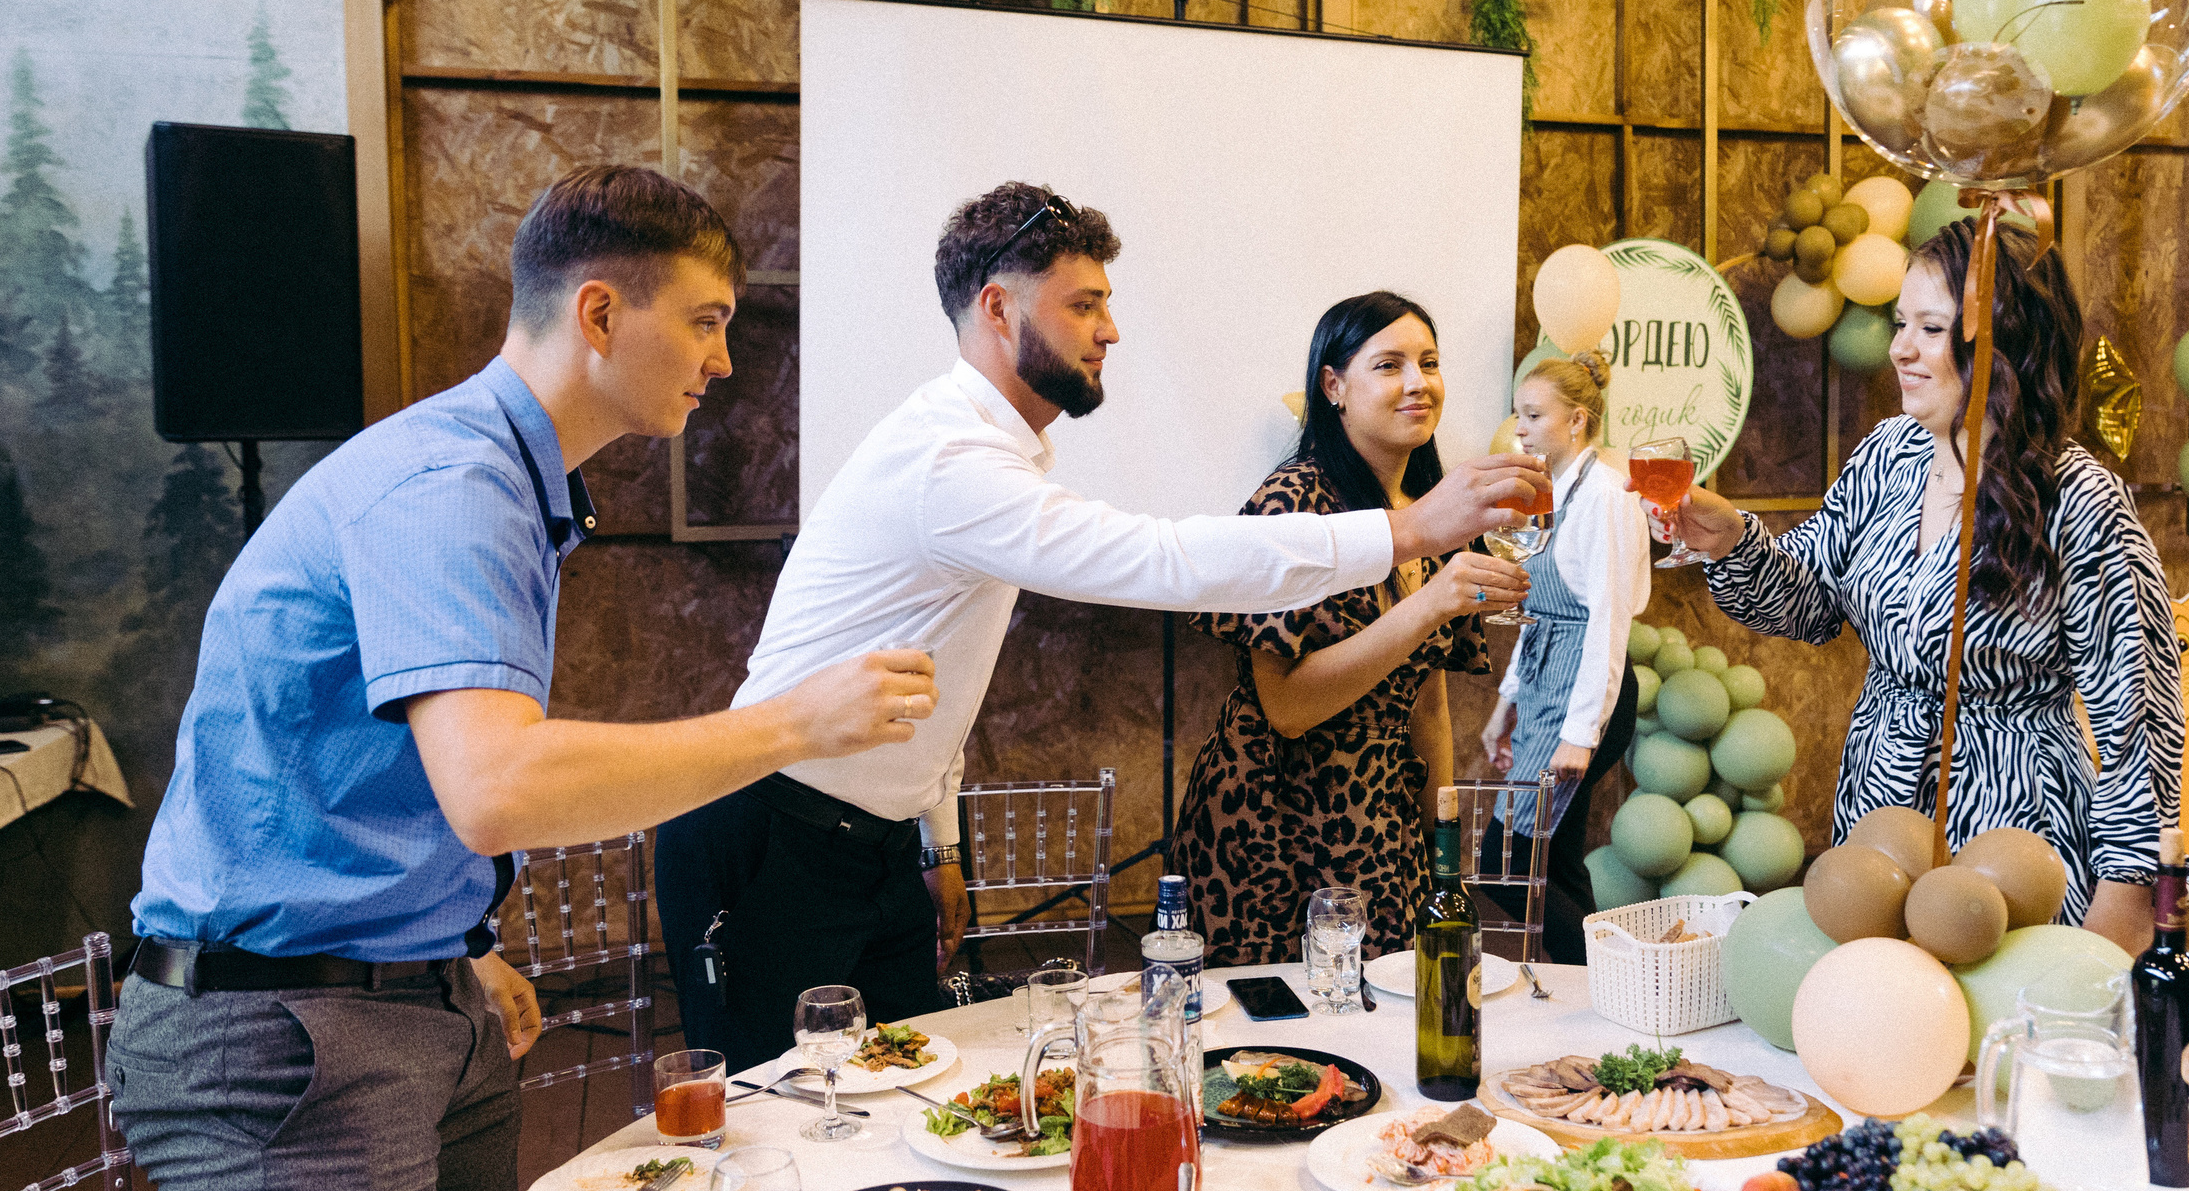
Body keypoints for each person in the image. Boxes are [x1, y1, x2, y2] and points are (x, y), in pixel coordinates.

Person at [105, 167, 936, 1191]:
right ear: (599, 314)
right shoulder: (448, 483)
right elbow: (496, 781)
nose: (728, 360)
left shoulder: (507, 477)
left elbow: (404, 775)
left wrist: (452, 939)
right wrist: (790, 724)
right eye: (710, 321)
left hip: (403, 998)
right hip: (281, 1040)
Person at [656, 187, 1543, 1068]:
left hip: (877, 844)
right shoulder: (949, 459)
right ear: (998, 309)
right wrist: (1408, 532)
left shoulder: (997, 451)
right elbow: (1161, 560)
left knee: (889, 1109)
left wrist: (936, 842)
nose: (1109, 330)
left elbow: (933, 669)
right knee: (783, 1125)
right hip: (775, 832)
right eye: (1084, 305)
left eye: (1106, 305)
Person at [1666, 219, 2183, 955]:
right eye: (1900, 322)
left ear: (2004, 342)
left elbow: (2142, 727)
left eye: (1931, 327)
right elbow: (1809, 601)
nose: (1900, 349)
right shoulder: (1889, 453)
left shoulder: (2081, 499)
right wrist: (1732, 541)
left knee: (1987, 1057)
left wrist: (2117, 922)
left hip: (2014, 840)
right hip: (1878, 816)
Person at [1169, 291, 1527, 964]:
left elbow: (1429, 704)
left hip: (1382, 824)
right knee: (1274, 1053)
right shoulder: (1293, 503)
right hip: (1272, 825)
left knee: (1388, 1022)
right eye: (1389, 365)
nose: (1418, 382)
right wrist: (1427, 605)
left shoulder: (1435, 511)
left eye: (1429, 361)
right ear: (1333, 386)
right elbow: (1288, 708)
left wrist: (1440, 847)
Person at [1478, 349, 1650, 962]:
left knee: (1510, 857)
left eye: (1532, 415)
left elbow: (1606, 622)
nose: (1519, 429)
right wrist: (1506, 706)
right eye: (1518, 416)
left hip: (1587, 693)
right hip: (1549, 679)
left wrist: (1581, 734)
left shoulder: (1605, 495)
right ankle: (1612, 988)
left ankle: (1610, 977)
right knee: (1552, 862)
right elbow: (1540, 612)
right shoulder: (1555, 493)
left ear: (1576, 420)